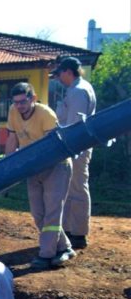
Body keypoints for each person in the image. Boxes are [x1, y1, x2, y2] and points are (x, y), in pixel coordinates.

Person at [5, 82, 75, 270]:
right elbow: (12, 139)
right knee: (38, 214)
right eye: (16, 102)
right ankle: (65, 248)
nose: (19, 106)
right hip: (33, 168)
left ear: (33, 98)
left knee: (52, 211)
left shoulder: (46, 115)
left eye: (23, 102)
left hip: (56, 166)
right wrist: (7, 167)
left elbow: (52, 148)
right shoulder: (13, 111)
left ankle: (46, 255)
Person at [53, 56, 97, 249]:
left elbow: (74, 125)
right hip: (76, 146)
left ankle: (79, 233)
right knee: (71, 188)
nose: (58, 78)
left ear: (68, 72)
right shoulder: (77, 88)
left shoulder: (78, 91)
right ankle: (71, 230)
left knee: (78, 188)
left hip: (77, 146)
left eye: (59, 74)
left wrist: (67, 148)